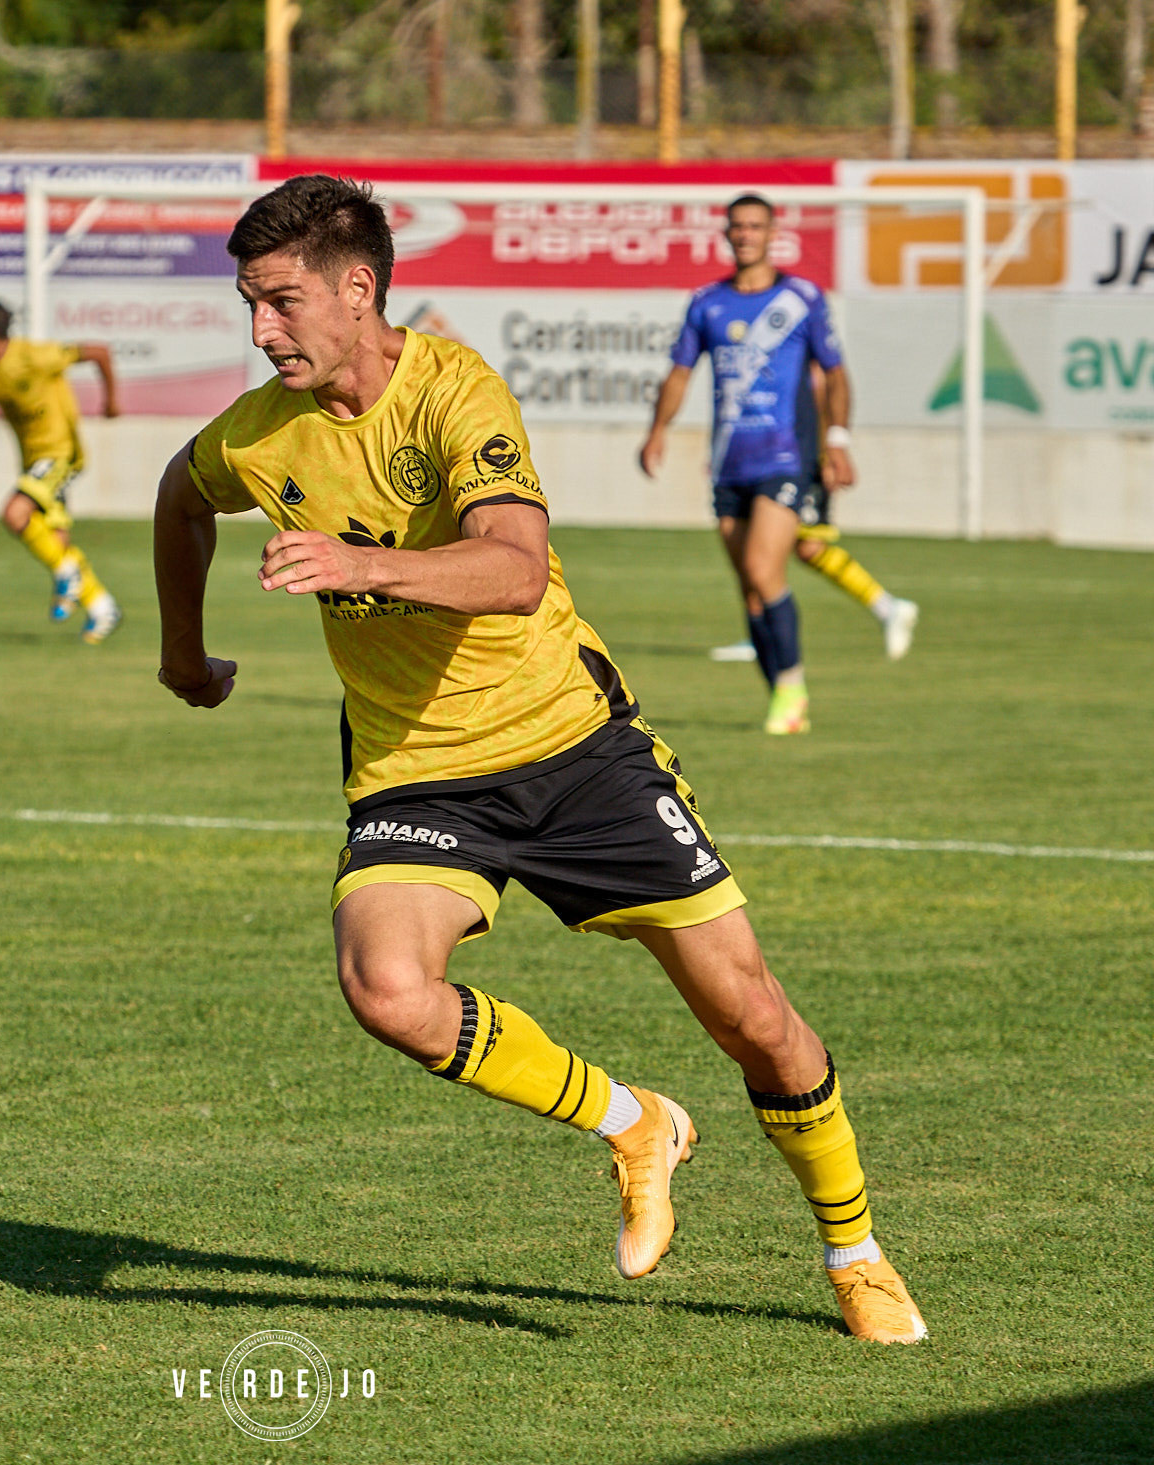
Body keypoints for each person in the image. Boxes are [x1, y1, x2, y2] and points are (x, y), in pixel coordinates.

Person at [153, 175, 926, 1343]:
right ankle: (631, 1122)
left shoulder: (455, 391)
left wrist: (362, 565)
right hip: (415, 772)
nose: (259, 330)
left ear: (356, 291)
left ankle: (853, 1250)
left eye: (279, 301)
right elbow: (180, 492)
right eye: (248, 304)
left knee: (753, 1019)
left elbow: (512, 571)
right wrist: (182, 652)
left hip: (573, 748)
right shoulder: (258, 435)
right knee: (385, 987)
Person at [640, 195, 918, 734]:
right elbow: (679, 374)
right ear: (726, 234)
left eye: (755, 226)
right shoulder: (707, 304)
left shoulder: (801, 299)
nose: (745, 235)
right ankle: (783, 700)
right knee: (748, 584)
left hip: (783, 458)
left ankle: (792, 686)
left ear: (772, 234)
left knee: (768, 569)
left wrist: (836, 440)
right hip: (728, 463)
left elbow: (835, 373)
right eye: (737, 226)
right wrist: (656, 431)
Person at [0, 300, 120, 644]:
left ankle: (68, 574)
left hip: (60, 453)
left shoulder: (34, 355)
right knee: (55, 544)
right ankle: (102, 606)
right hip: (32, 461)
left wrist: (112, 402)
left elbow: (99, 352)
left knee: (14, 513)